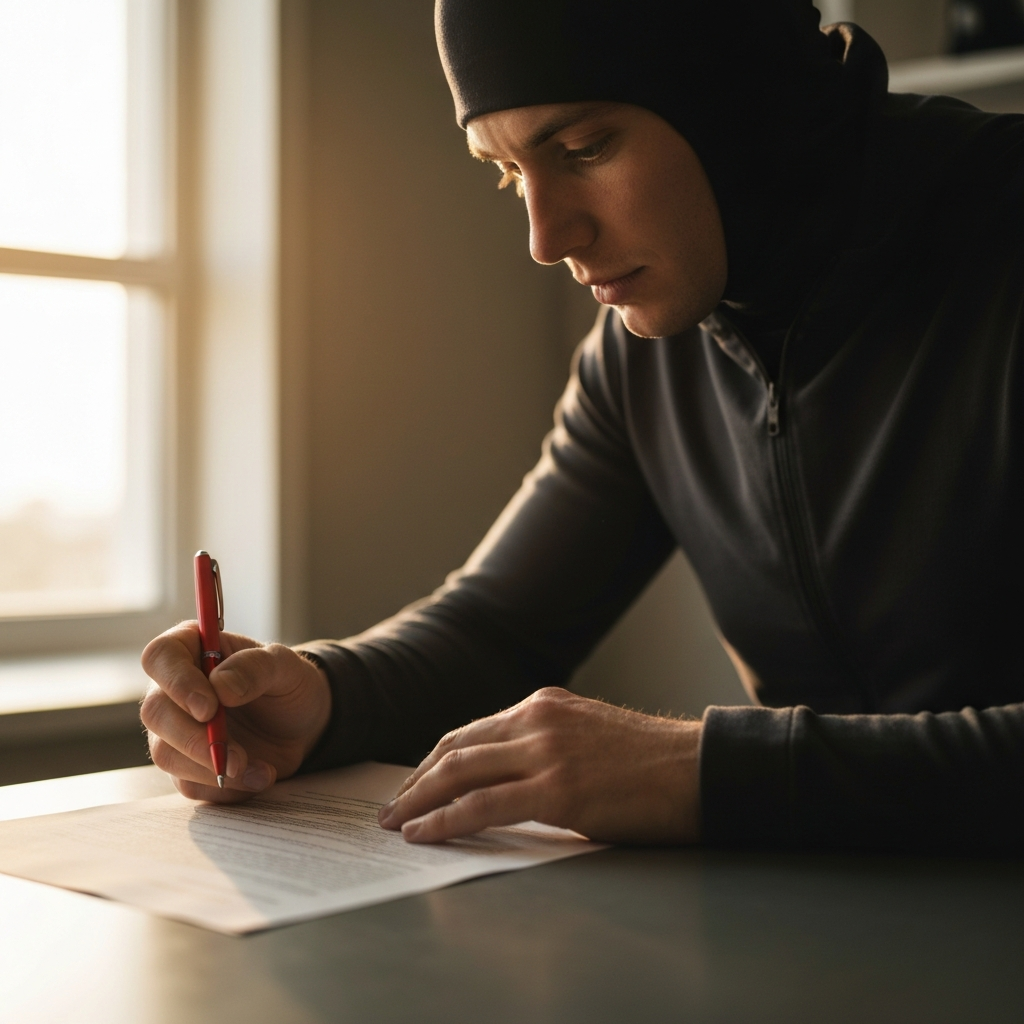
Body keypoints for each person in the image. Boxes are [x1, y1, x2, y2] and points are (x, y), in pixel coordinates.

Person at [140, 0, 1024, 853]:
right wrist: (322, 694)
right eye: (508, 171)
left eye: (584, 147)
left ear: (740, 93)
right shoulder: (646, 347)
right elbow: (499, 628)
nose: (545, 234)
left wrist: (700, 771)